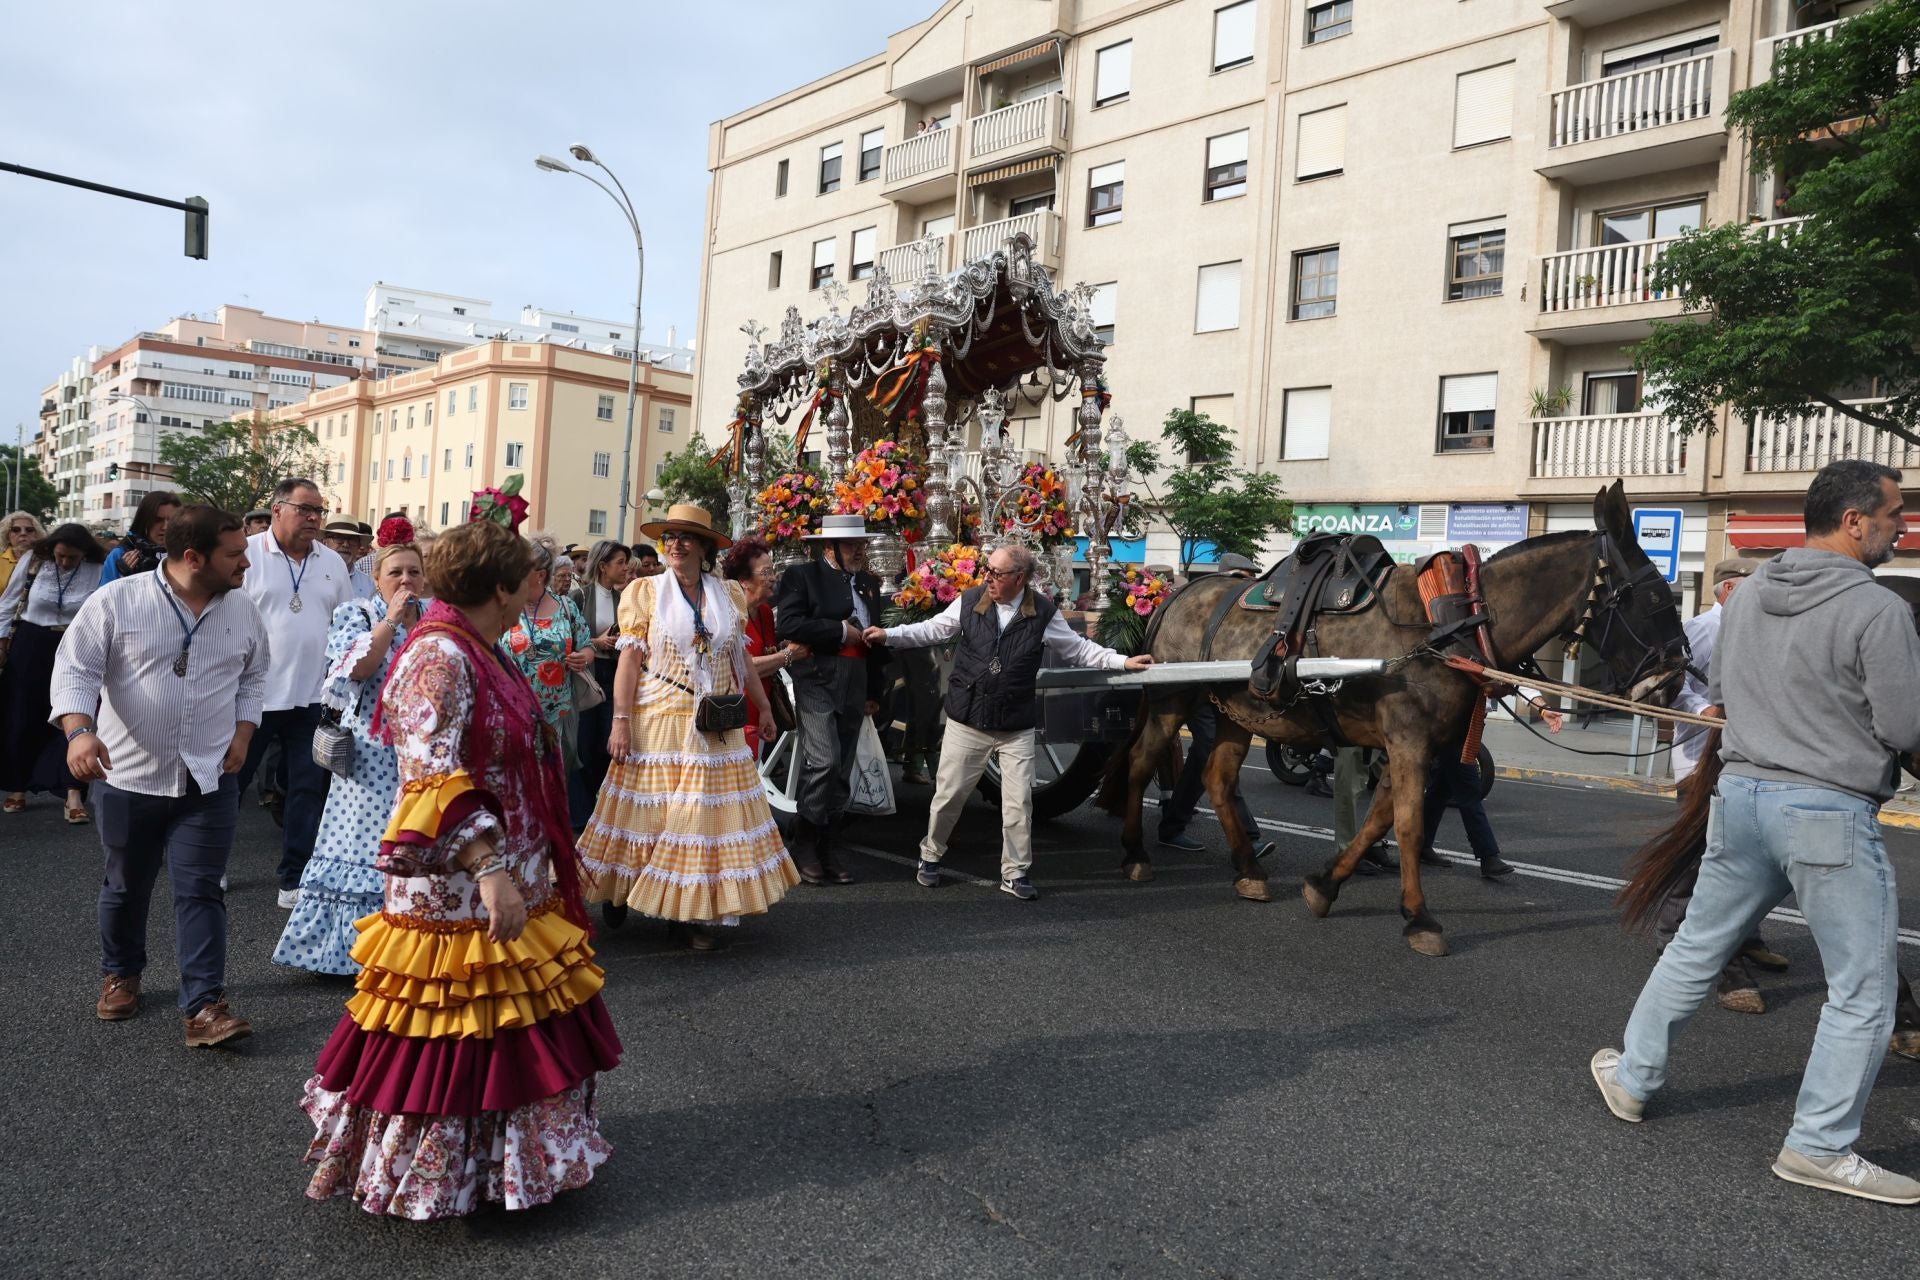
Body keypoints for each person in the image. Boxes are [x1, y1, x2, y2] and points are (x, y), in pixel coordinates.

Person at [1592, 459, 1920, 1205]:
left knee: (1698, 949)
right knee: (1864, 992)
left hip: (1739, 795)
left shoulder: (1748, 597)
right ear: (1855, 521)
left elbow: (1726, 690)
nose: (1903, 525)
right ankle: (1819, 1146)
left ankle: (1634, 1076)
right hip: (1826, 813)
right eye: (1896, 513)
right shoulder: (1879, 611)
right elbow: (1905, 725)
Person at [300, 518, 620, 1219]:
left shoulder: (481, 644)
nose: (538, 586)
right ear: (501, 587)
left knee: (508, 1024)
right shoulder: (440, 656)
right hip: (461, 884)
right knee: (454, 1030)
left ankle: (508, 1166)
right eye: (528, 577)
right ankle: (442, 1176)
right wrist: (490, 868)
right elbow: (431, 775)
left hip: (504, 870)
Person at [52, 505, 265, 1046]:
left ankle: (205, 1007)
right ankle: (121, 972)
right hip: (127, 776)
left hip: (209, 778)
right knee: (125, 887)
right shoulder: (117, 600)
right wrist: (80, 733)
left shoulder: (242, 610)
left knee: (200, 891)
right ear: (193, 557)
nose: (246, 561)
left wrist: (243, 733)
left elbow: (255, 676)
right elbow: (75, 669)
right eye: (234, 553)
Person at [868, 542, 1153, 900]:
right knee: (949, 796)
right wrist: (888, 634)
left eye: (996, 573)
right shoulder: (971, 600)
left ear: (1019, 579)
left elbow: (1079, 649)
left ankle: (1015, 873)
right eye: (986, 570)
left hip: (1014, 724)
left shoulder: (1044, 613)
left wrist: (1121, 662)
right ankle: (931, 854)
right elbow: (933, 630)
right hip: (967, 719)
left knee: (1019, 803)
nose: (987, 577)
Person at [577, 504, 795, 951]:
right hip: (658, 719)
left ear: (705, 548)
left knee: (697, 822)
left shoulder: (728, 594)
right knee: (649, 817)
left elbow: (741, 661)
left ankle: (684, 914)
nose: (675, 544)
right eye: (670, 537)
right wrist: (620, 722)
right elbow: (629, 662)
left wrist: (764, 707)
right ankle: (621, 888)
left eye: (686, 537)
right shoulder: (643, 591)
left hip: (714, 722)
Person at [271, 527, 425, 976]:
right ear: (376, 578)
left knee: (416, 840)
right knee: (362, 844)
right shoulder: (355, 612)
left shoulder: (436, 615)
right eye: (395, 572)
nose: (406, 580)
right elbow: (357, 669)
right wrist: (392, 621)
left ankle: (412, 947)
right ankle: (348, 954)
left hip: (422, 751)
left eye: (414, 572)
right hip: (371, 752)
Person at [1663, 557, 1785, 1014]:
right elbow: (1670, 686)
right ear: (1730, 590)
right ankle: (1679, 942)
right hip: (1699, 763)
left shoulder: (1757, 630)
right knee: (1699, 861)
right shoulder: (1702, 629)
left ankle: (1747, 938)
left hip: (1744, 762)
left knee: (1753, 859)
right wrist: (1702, 711)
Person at [236, 478, 354, 909]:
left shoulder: (332, 562)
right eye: (305, 509)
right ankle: (212, 868)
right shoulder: (247, 554)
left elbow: (344, 626)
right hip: (253, 698)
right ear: (277, 509)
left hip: (313, 698)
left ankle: (295, 877)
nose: (313, 518)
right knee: (231, 784)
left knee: (307, 789)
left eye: (318, 511)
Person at [773, 513, 891, 885]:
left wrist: (874, 691)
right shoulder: (801, 577)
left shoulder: (869, 582)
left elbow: (873, 644)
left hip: (855, 679)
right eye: (852, 544)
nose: (861, 550)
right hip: (817, 676)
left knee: (842, 768)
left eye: (862, 544)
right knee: (823, 760)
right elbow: (788, 624)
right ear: (829, 547)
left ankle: (828, 842)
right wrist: (840, 631)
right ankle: (804, 841)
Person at [1158, 555, 1272, 860]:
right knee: (1212, 750)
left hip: (1219, 691)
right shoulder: (1202, 603)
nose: (1248, 585)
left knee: (1209, 753)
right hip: (1191, 687)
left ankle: (1173, 823)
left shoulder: (1238, 611)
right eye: (1244, 577)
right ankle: (1247, 835)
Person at [0, 522, 106, 821]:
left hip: (75, 644)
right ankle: (17, 786)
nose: (63, 562)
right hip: (31, 643)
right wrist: (1, 640)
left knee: (73, 715)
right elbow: (7, 603)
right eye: (59, 556)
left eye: (71, 558)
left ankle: (73, 792)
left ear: (84, 554)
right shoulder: (34, 560)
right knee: (21, 716)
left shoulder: (98, 568)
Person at [504, 535, 594, 772]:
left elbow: (587, 645)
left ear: (540, 575)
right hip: (512, 711)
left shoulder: (566, 606)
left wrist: (583, 657)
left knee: (552, 784)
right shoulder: (504, 604)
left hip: (557, 714)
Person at [722, 537, 809, 757]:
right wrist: (788, 655)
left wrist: (781, 647)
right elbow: (743, 666)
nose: (774, 578)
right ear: (744, 580)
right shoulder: (728, 612)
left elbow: (763, 652)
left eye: (773, 571)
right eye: (766, 572)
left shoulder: (765, 613)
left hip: (760, 711)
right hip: (734, 712)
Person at [572, 539, 632, 829]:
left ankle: (596, 810)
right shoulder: (579, 597)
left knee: (606, 744)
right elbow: (568, 638)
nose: (625, 568)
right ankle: (582, 817)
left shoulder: (625, 600)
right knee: (584, 742)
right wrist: (597, 642)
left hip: (614, 672)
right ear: (602, 566)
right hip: (588, 675)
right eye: (619, 562)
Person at [97, 491, 178, 584]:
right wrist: (124, 578)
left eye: (172, 520)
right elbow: (104, 596)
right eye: (157, 520)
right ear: (144, 521)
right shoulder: (120, 554)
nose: (165, 527)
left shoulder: (184, 554)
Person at [322, 519, 376, 597]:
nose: (346, 544)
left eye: (352, 539)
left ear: (359, 545)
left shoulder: (368, 583)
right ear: (325, 542)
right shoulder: (310, 575)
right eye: (339, 538)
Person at [1, 510, 45, 589]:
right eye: (16, 530)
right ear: (7, 535)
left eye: (29, 530)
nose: (23, 533)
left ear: (37, 534)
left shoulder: (45, 560)